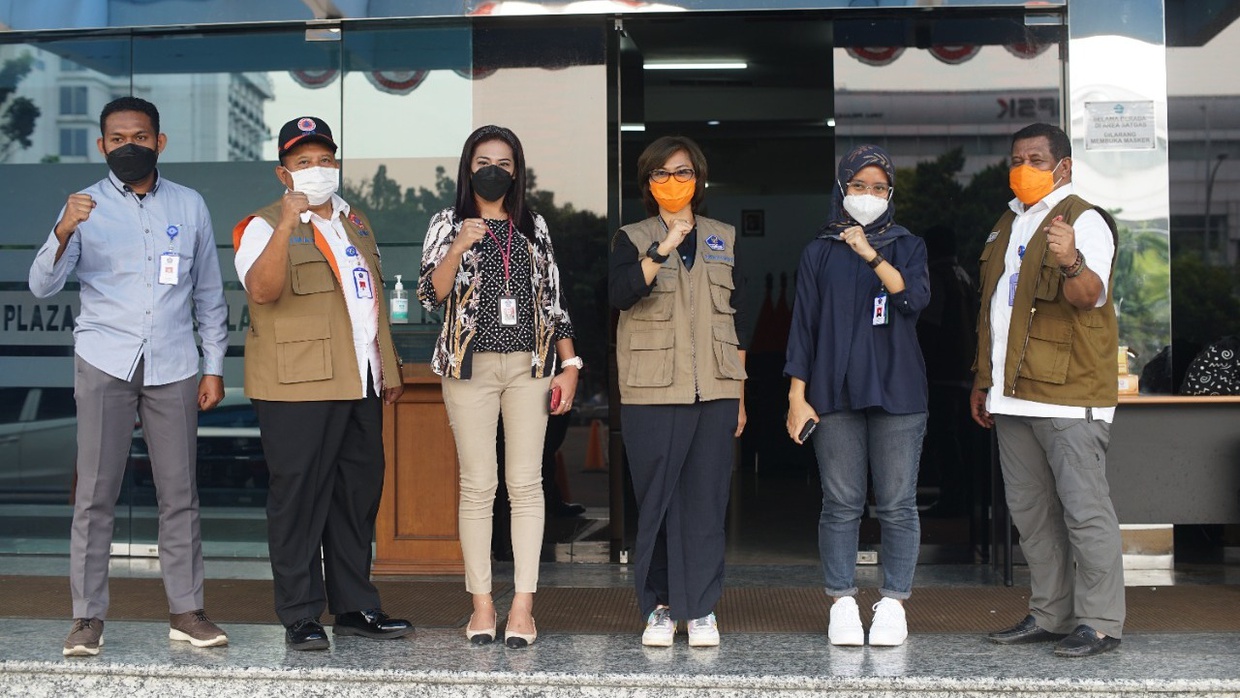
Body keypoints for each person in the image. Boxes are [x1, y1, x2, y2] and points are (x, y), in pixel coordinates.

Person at [28, 96, 230, 656]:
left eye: (139, 136)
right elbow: (41, 286)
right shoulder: (84, 206)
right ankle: (87, 617)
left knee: (180, 494)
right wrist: (63, 229)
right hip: (104, 360)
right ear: (102, 146)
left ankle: (187, 612)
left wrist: (213, 367)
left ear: (160, 142)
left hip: (173, 364)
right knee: (94, 495)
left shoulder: (189, 206)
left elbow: (209, 296)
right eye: (117, 139)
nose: (128, 146)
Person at [232, 116, 412, 651]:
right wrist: (289, 223)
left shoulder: (356, 223)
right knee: (299, 500)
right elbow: (262, 292)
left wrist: (389, 368)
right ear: (283, 173)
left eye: (324, 159)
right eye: (303, 162)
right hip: (298, 383)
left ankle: (355, 605)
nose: (316, 170)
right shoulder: (261, 224)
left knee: (356, 496)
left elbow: (368, 301)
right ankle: (301, 613)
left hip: (360, 377)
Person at [418, 125, 579, 649]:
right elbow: (427, 294)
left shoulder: (533, 225)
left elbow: (554, 301)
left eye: (504, 163)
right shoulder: (446, 221)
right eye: (484, 160)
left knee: (527, 485)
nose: (494, 170)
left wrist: (570, 364)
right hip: (470, 369)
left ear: (516, 171)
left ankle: (524, 606)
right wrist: (460, 243)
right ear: (468, 168)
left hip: (529, 368)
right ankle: (482, 603)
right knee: (478, 485)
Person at [971, 122, 1124, 658]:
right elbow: (997, 311)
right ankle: (1050, 613)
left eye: (1036, 158)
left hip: (1068, 391)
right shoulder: (1008, 223)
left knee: (1085, 510)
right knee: (1031, 513)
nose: (1024, 168)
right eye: (1017, 158)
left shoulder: (1086, 221)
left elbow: (1091, 297)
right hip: (1012, 395)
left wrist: (1071, 260)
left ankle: (1100, 621)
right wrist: (984, 381)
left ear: (1064, 166)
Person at [784, 144, 929, 648]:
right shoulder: (818, 251)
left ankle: (893, 603)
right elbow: (803, 327)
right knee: (841, 503)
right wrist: (796, 397)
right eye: (858, 186)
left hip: (899, 390)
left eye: (878, 188)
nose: (868, 196)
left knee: (897, 504)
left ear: (890, 193)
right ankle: (842, 602)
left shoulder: (907, 244)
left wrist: (869, 252)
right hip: (832, 391)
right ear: (842, 189)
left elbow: (911, 298)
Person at [609, 135, 748, 648]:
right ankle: (660, 608)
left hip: (715, 389)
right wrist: (661, 249)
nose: (673, 183)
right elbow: (621, 294)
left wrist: (740, 395)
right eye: (661, 174)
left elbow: (736, 320)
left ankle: (703, 609)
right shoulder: (632, 236)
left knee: (708, 502)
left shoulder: (723, 237)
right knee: (658, 503)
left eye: (683, 172)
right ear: (648, 184)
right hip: (652, 391)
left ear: (699, 179)